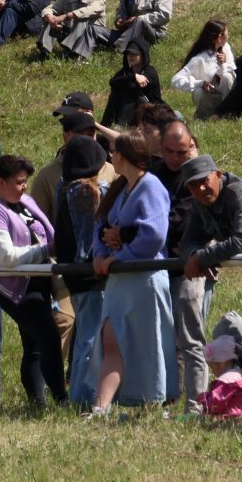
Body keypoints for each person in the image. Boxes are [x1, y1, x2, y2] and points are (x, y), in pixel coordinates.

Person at [86, 133, 172, 414]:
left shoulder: (151, 187)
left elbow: (153, 235)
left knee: (147, 342)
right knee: (111, 339)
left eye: (114, 151)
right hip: (119, 282)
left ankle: (152, 402)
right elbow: (101, 226)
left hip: (143, 278)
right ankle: (101, 406)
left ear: (125, 155)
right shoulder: (119, 188)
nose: (110, 155)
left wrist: (120, 255)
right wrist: (101, 255)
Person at [0, 153, 63, 409]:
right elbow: (5, 257)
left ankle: (38, 402)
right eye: (19, 182)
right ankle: (61, 399)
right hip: (14, 286)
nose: (24, 187)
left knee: (34, 344)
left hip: (39, 280)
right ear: (0, 182)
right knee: (48, 336)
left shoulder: (25, 201)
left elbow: (46, 233)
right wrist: (47, 250)